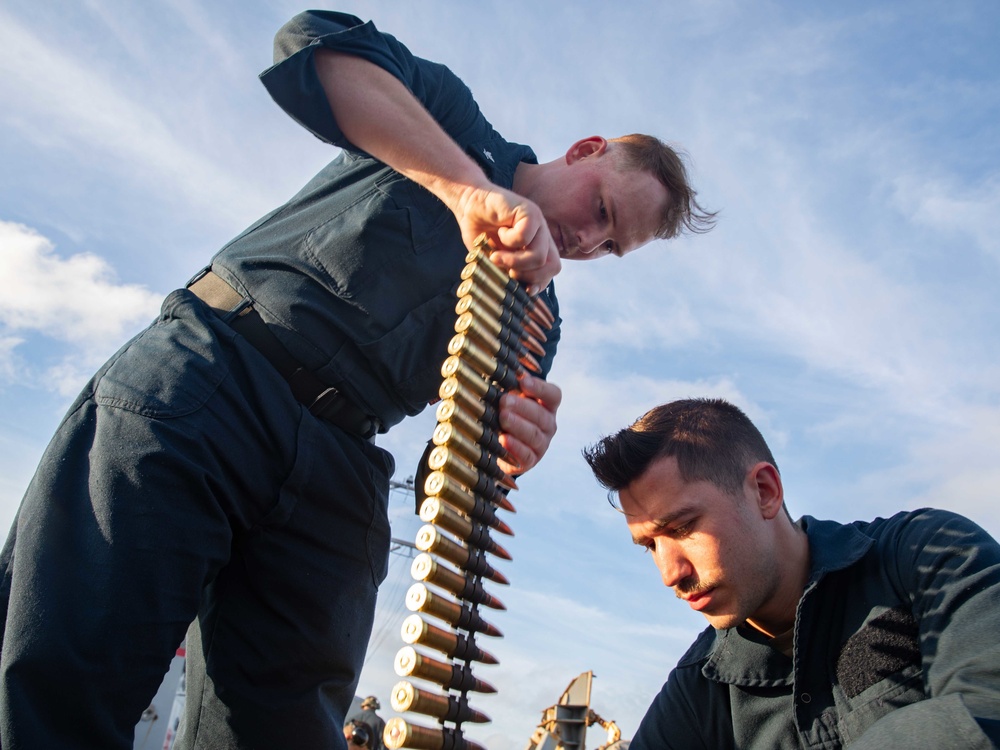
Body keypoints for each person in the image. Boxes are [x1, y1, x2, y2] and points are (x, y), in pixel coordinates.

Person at [0, 9, 714, 750]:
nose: (589, 240)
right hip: (218, 376)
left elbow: (448, 470)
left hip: (338, 473)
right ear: (586, 150)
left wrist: (506, 450)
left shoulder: (538, 313)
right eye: (600, 210)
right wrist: (467, 188)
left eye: (612, 246)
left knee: (289, 726)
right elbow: (314, 44)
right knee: (71, 667)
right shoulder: (452, 122)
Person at [583, 398, 1000, 749]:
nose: (669, 574)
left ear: (764, 492)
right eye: (650, 546)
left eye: (682, 528)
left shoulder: (929, 554)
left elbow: (985, 710)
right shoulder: (699, 691)